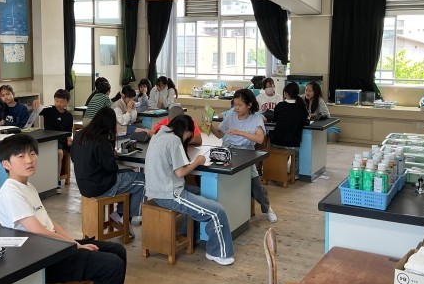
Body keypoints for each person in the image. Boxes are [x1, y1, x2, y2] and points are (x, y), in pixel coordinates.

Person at [0, 134, 136, 284]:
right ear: (6, 164)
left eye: (32, 154)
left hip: (51, 248)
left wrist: (73, 242)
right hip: (38, 259)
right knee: (111, 265)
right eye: (21, 156)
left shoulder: (27, 186)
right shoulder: (11, 192)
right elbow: (36, 230)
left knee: (117, 251)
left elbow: (49, 223)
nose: (29, 160)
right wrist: (74, 246)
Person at [145, 114, 235, 266]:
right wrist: (198, 161)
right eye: (189, 134)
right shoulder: (174, 140)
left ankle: (190, 235)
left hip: (157, 189)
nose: (188, 138)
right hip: (170, 194)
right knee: (217, 211)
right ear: (185, 129)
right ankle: (217, 253)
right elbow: (180, 173)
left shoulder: (158, 135)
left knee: (199, 192)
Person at [71, 107, 145, 238]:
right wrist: (110, 154)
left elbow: (73, 158)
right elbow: (111, 167)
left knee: (129, 173)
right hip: (100, 186)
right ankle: (124, 218)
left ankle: (119, 214)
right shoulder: (101, 140)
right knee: (142, 179)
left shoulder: (79, 135)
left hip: (83, 184)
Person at [210, 89, 278, 223]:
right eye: (235, 104)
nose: (236, 108)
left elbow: (259, 139)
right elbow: (219, 134)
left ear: (249, 105)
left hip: (246, 153)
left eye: (240, 105)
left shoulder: (256, 118)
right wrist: (209, 126)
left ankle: (268, 208)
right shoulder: (230, 116)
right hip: (228, 151)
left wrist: (239, 132)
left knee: (255, 185)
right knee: (219, 178)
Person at [34, 89, 74, 191]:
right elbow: (38, 110)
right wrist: (37, 104)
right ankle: (52, 179)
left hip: (61, 140)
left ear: (67, 102)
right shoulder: (49, 111)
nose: (59, 104)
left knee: (64, 152)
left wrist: (69, 139)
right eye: (56, 101)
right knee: (57, 152)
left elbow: (69, 133)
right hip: (49, 139)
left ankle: (58, 178)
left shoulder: (69, 116)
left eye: (62, 101)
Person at [271, 82, 310, 178]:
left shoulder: (280, 105)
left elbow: (275, 119)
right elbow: (305, 122)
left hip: (277, 140)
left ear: (286, 93)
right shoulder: (301, 107)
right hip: (293, 141)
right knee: (296, 155)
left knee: (277, 153)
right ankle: (294, 174)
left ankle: (276, 172)